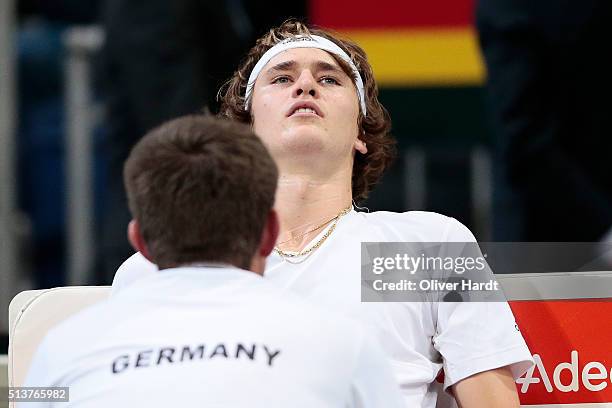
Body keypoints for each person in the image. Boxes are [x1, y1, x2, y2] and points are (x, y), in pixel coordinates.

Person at [112, 21, 534, 407]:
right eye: (281, 78)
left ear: (360, 133)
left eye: (329, 78)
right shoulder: (159, 265)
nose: (306, 86)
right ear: (246, 132)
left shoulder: (429, 242)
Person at [21, 115, 404, 408]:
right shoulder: (348, 344)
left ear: (140, 241)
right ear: (269, 233)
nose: (304, 87)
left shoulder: (59, 347)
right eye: (281, 78)